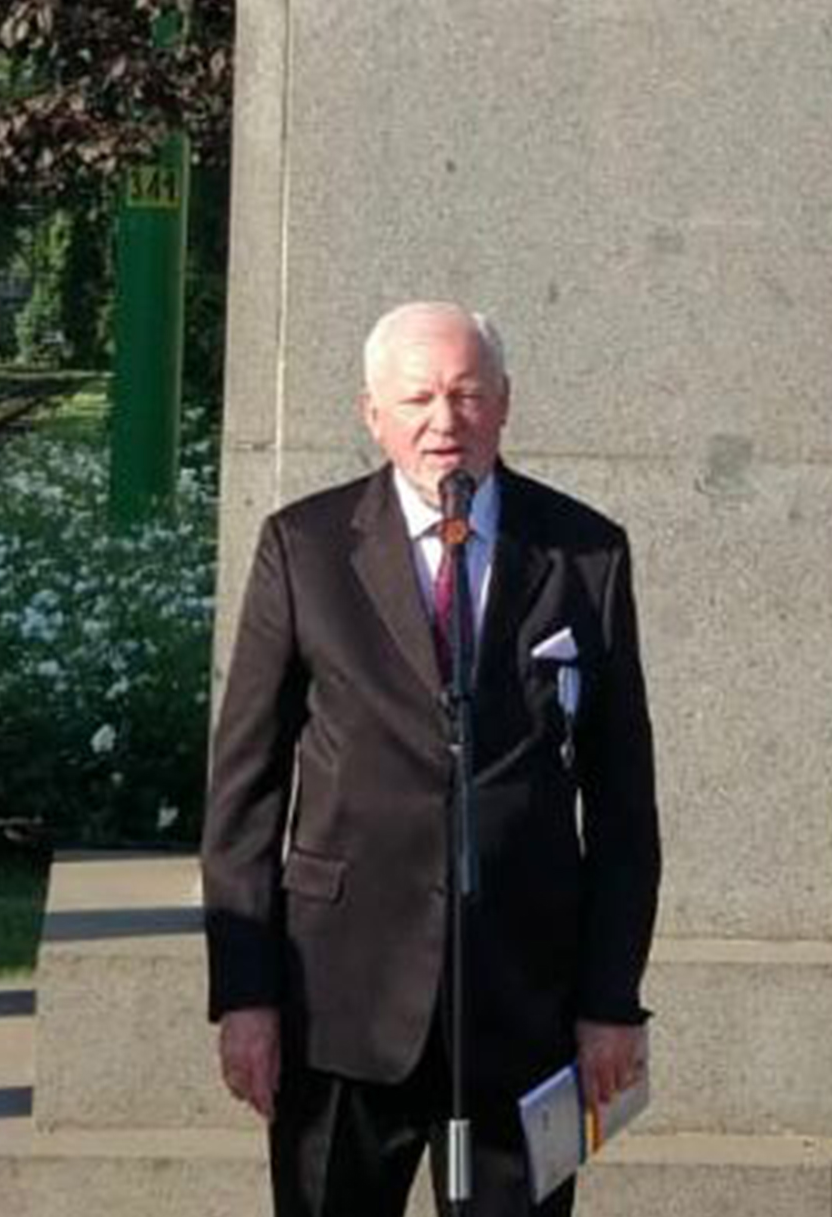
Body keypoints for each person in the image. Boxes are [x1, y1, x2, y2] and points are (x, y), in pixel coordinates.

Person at [201, 301, 660, 1217]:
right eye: (417, 398)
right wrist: (245, 995)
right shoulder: (304, 546)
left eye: (467, 394)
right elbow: (246, 790)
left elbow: (622, 802)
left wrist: (611, 998)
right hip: (341, 1001)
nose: (443, 420)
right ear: (372, 413)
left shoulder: (584, 553)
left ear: (504, 403)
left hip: (523, 1003)